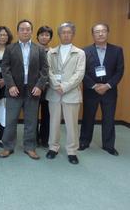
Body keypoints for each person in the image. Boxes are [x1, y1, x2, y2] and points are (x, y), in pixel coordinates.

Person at [0, 19, 48, 160]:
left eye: (28, 29)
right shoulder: (10, 48)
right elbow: (5, 68)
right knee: (11, 120)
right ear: (18, 31)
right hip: (14, 90)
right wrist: (11, 85)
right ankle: (7, 147)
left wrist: (39, 86)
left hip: (33, 90)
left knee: (31, 120)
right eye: (22, 29)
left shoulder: (39, 49)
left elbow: (45, 69)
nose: (25, 31)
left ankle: (30, 147)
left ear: (32, 32)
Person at [79, 23, 124, 156]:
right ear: (92, 34)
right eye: (97, 32)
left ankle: (109, 145)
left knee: (109, 118)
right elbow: (82, 72)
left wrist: (108, 85)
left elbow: (119, 71)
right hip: (91, 90)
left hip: (109, 90)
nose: (100, 34)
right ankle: (84, 142)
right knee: (88, 117)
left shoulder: (117, 50)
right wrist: (94, 86)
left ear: (108, 33)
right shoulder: (85, 51)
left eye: (103, 31)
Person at [45, 22, 85, 165]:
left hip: (71, 93)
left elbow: (79, 74)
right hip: (54, 93)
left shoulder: (80, 53)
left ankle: (72, 151)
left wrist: (65, 87)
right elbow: (47, 71)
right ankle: (53, 147)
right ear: (59, 34)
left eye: (69, 32)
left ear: (73, 34)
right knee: (54, 122)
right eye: (63, 32)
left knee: (71, 124)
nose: (66, 34)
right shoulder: (51, 52)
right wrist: (56, 86)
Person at [36, 26, 53, 148]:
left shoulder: (54, 52)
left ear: (50, 37)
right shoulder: (32, 50)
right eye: (42, 34)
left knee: (47, 115)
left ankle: (45, 138)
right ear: (37, 36)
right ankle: (34, 138)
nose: (44, 37)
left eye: (47, 35)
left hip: (50, 88)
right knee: (33, 115)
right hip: (34, 88)